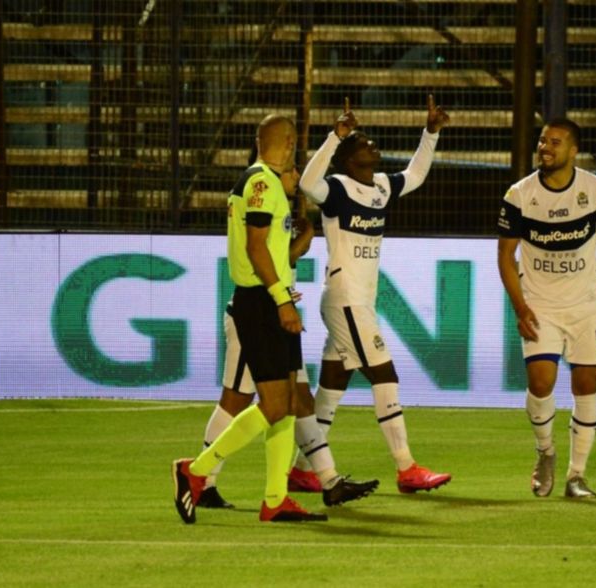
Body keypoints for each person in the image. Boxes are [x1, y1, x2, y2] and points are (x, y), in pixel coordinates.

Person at [173, 115, 373, 525]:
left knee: (284, 404)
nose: (294, 150)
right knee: (272, 403)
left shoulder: (266, 185)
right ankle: (193, 471)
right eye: (293, 142)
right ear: (283, 141)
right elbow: (256, 248)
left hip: (272, 301)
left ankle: (275, 498)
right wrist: (282, 299)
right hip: (262, 303)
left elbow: (274, 251)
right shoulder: (261, 182)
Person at [297, 95, 452, 494]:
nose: (371, 145)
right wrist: (334, 136)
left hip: (359, 301)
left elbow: (414, 175)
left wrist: (429, 133)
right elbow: (306, 183)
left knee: (332, 385)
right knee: (384, 373)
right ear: (348, 159)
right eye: (362, 143)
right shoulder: (337, 189)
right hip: (345, 298)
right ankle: (406, 469)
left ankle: (301, 469)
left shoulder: (381, 187)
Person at [497, 118, 596, 499]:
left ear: (573, 151)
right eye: (541, 141)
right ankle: (545, 452)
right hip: (541, 305)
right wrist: (520, 307)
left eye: (554, 142)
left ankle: (576, 476)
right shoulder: (519, 195)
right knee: (541, 382)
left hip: (585, 303)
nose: (544, 148)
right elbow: (505, 256)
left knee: (587, 385)